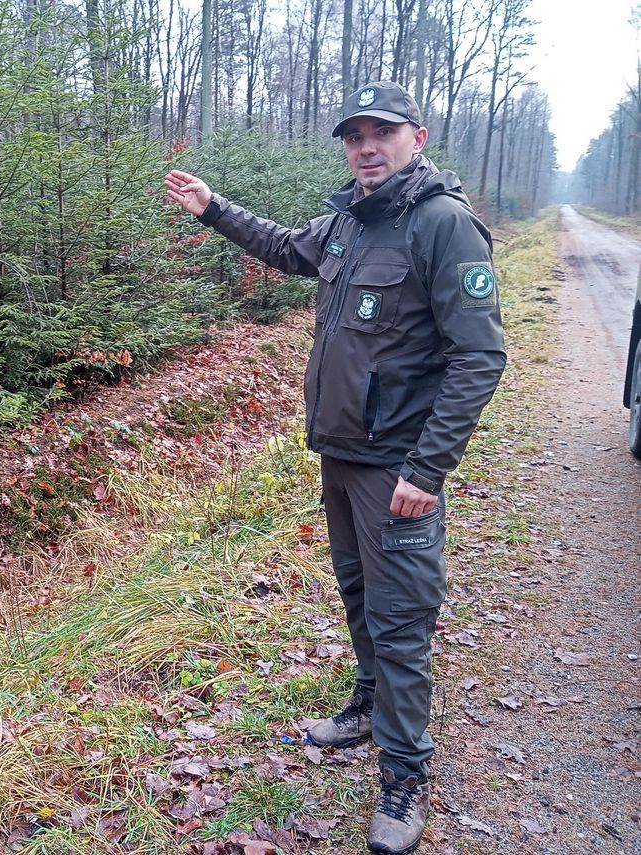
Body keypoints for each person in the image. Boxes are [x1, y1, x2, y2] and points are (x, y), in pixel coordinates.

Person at [165, 81, 506, 855]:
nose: (365, 146)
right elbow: (289, 247)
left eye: (381, 132)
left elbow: (480, 357)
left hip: (398, 471)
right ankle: (365, 701)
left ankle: (406, 774)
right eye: (354, 135)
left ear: (416, 137)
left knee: (401, 618)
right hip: (343, 459)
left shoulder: (443, 227)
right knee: (358, 595)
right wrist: (215, 208)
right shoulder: (349, 221)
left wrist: (428, 468)